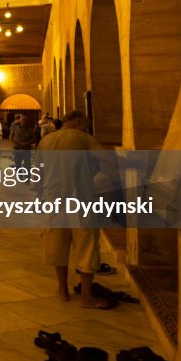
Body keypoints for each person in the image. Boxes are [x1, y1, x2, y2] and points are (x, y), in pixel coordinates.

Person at [37, 110, 113, 308]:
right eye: (85, 124)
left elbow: (38, 171)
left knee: (57, 246)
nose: (87, 128)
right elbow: (108, 161)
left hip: (53, 199)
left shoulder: (45, 141)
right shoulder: (84, 138)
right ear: (77, 122)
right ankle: (87, 297)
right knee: (87, 247)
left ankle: (63, 291)